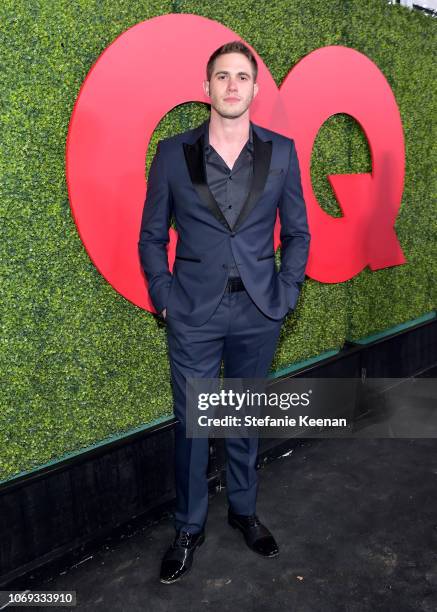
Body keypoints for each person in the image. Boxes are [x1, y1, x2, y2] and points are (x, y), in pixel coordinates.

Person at [138, 41, 310, 584]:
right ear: (206, 87)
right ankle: (189, 528)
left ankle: (243, 510)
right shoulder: (172, 153)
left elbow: (299, 233)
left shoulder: (282, 152)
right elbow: (150, 236)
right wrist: (166, 299)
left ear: (256, 89)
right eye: (222, 77)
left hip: (259, 310)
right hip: (193, 311)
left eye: (242, 76)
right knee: (192, 424)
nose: (232, 86)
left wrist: (284, 293)